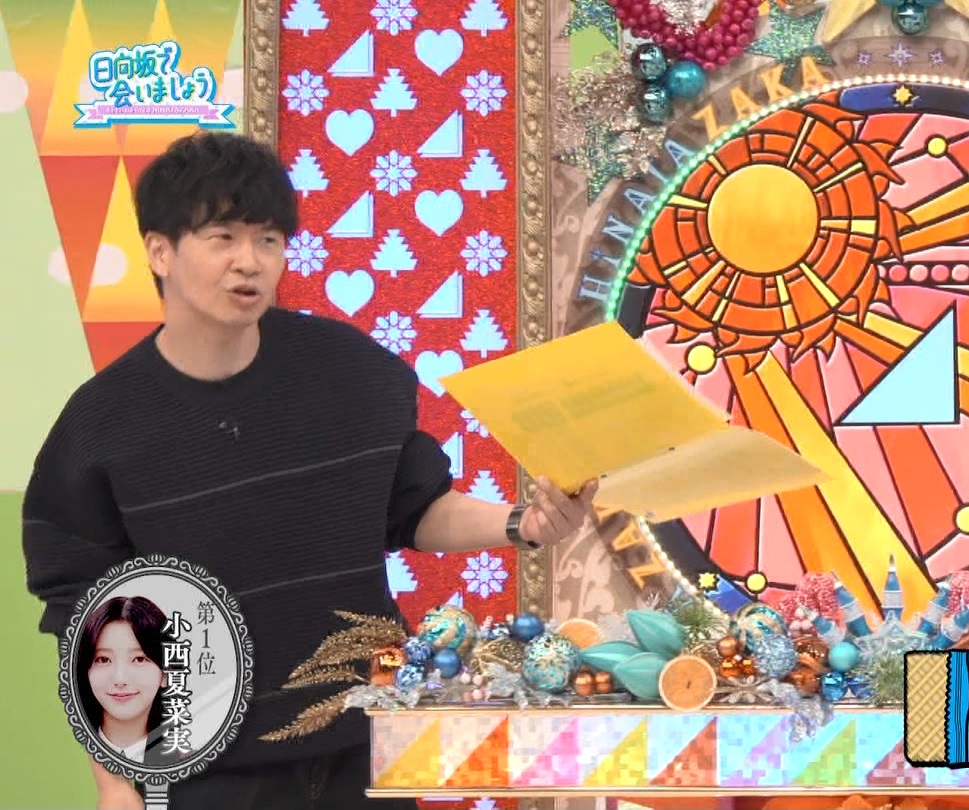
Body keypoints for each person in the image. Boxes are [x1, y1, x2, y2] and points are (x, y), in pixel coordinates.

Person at [22, 132, 598, 810]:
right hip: (207, 769)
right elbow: (85, 615)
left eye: (268, 239)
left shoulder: (350, 371)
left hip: (368, 739)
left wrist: (523, 523)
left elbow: (415, 509)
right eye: (223, 237)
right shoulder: (100, 426)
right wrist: (115, 782)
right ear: (160, 251)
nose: (250, 261)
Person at [77, 596, 187, 768]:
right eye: (103, 659)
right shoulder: (60, 759)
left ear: (166, 673)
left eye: (139, 659)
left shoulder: (194, 770)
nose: (120, 679)